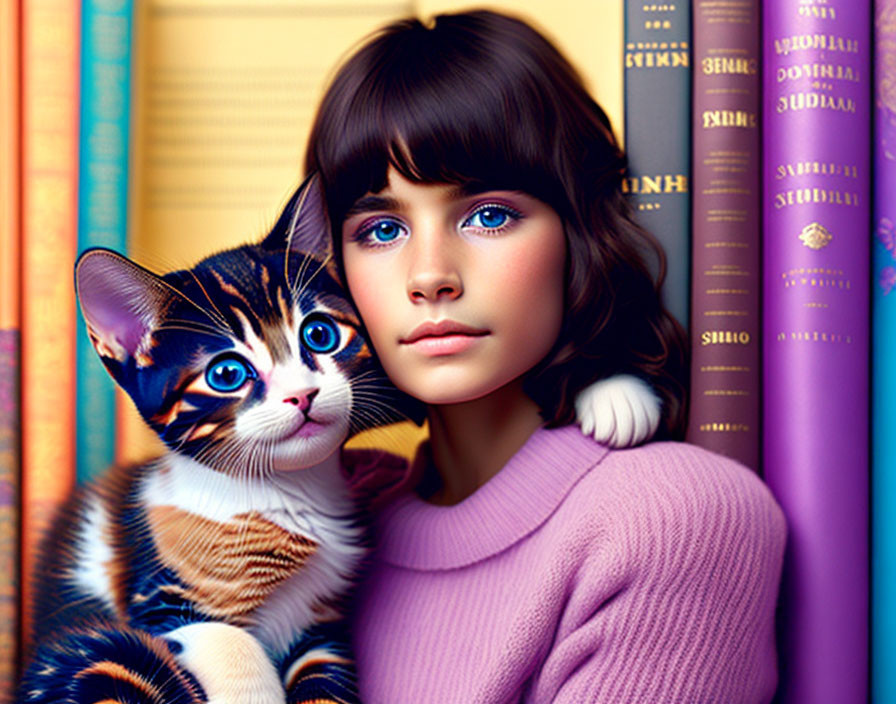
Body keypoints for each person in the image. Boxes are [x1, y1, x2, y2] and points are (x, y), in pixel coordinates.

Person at [304, 10, 787, 702]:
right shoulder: (325, 533)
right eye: (381, 230)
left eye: (489, 214)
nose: (429, 275)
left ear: (578, 232)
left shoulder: (667, 517)